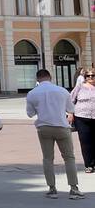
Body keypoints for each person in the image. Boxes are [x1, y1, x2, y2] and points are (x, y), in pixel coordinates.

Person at [25, 69, 83, 199]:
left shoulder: (32, 93)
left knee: (47, 158)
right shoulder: (62, 91)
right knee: (69, 158)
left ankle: (52, 189)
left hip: (44, 127)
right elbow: (71, 109)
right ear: (50, 77)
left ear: (37, 79)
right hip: (61, 126)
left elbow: (30, 113)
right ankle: (74, 188)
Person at [70, 71, 95, 174]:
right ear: (85, 77)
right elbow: (71, 100)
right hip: (81, 118)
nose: (90, 77)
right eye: (88, 76)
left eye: (92, 75)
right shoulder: (80, 87)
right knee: (85, 142)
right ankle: (89, 165)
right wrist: (70, 113)